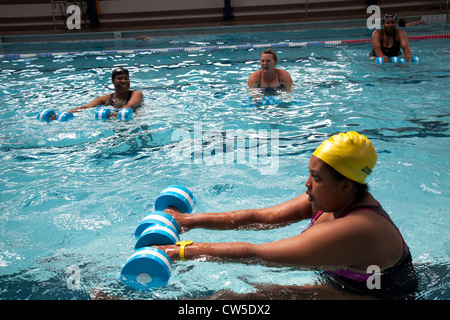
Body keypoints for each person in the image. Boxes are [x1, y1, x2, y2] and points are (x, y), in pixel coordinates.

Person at [155, 132, 418, 299]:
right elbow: (260, 217)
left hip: (373, 297)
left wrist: (179, 251)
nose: (307, 183)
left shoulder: (358, 229)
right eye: (310, 173)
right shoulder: (329, 199)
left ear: (346, 185)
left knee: (233, 301)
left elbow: (255, 254)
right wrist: (188, 221)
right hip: (340, 286)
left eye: (316, 178)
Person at [50, 67, 143, 120]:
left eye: (126, 78)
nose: (124, 81)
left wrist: (117, 113)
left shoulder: (136, 94)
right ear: (113, 82)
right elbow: (85, 107)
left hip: (136, 120)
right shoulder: (104, 99)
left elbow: (130, 105)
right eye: (119, 79)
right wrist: (60, 115)